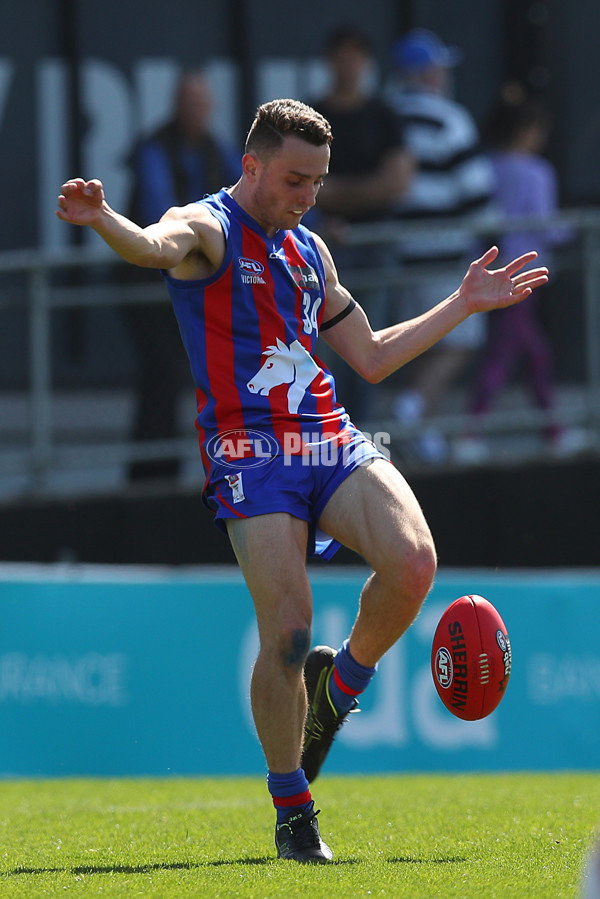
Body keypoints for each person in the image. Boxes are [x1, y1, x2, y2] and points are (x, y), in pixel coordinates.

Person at [56, 98, 548, 863]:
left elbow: (374, 355)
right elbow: (156, 246)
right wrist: (104, 220)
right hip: (249, 455)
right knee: (286, 635)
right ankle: (293, 810)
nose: (307, 196)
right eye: (294, 180)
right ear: (252, 165)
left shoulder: (310, 252)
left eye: (317, 182)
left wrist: (463, 301)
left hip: (326, 439)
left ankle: (340, 686)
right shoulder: (210, 226)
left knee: (415, 563)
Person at [123, 70, 240, 481]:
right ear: (177, 106)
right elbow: (161, 213)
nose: (197, 112)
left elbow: (243, 203)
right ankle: (150, 476)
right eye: (190, 104)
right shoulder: (153, 149)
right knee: (161, 376)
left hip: (195, 288)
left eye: (203, 104)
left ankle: (201, 471)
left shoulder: (218, 149)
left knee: (200, 377)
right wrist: (209, 240)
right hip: (150, 291)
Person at [385, 29, 496, 462]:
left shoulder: (387, 115)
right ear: (428, 71)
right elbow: (478, 195)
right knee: (459, 341)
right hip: (447, 255)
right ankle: (412, 415)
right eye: (440, 66)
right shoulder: (449, 118)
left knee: (417, 341)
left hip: (396, 255)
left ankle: (421, 432)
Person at [458, 82, 578, 460]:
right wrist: (572, 228)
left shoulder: (484, 166)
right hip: (526, 276)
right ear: (527, 130)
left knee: (530, 352)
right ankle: (470, 433)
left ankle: (553, 430)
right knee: (510, 353)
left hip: (489, 272)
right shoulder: (536, 172)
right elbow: (547, 226)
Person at [309, 26, 414, 421]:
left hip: (376, 247)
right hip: (325, 251)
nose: (347, 64)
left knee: (373, 349)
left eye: (355, 55)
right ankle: (330, 430)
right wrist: (362, 190)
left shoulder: (383, 114)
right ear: (329, 61)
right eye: (341, 54)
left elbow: (397, 182)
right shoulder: (313, 115)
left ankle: (362, 438)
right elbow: (305, 186)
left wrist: (335, 191)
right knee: (330, 347)